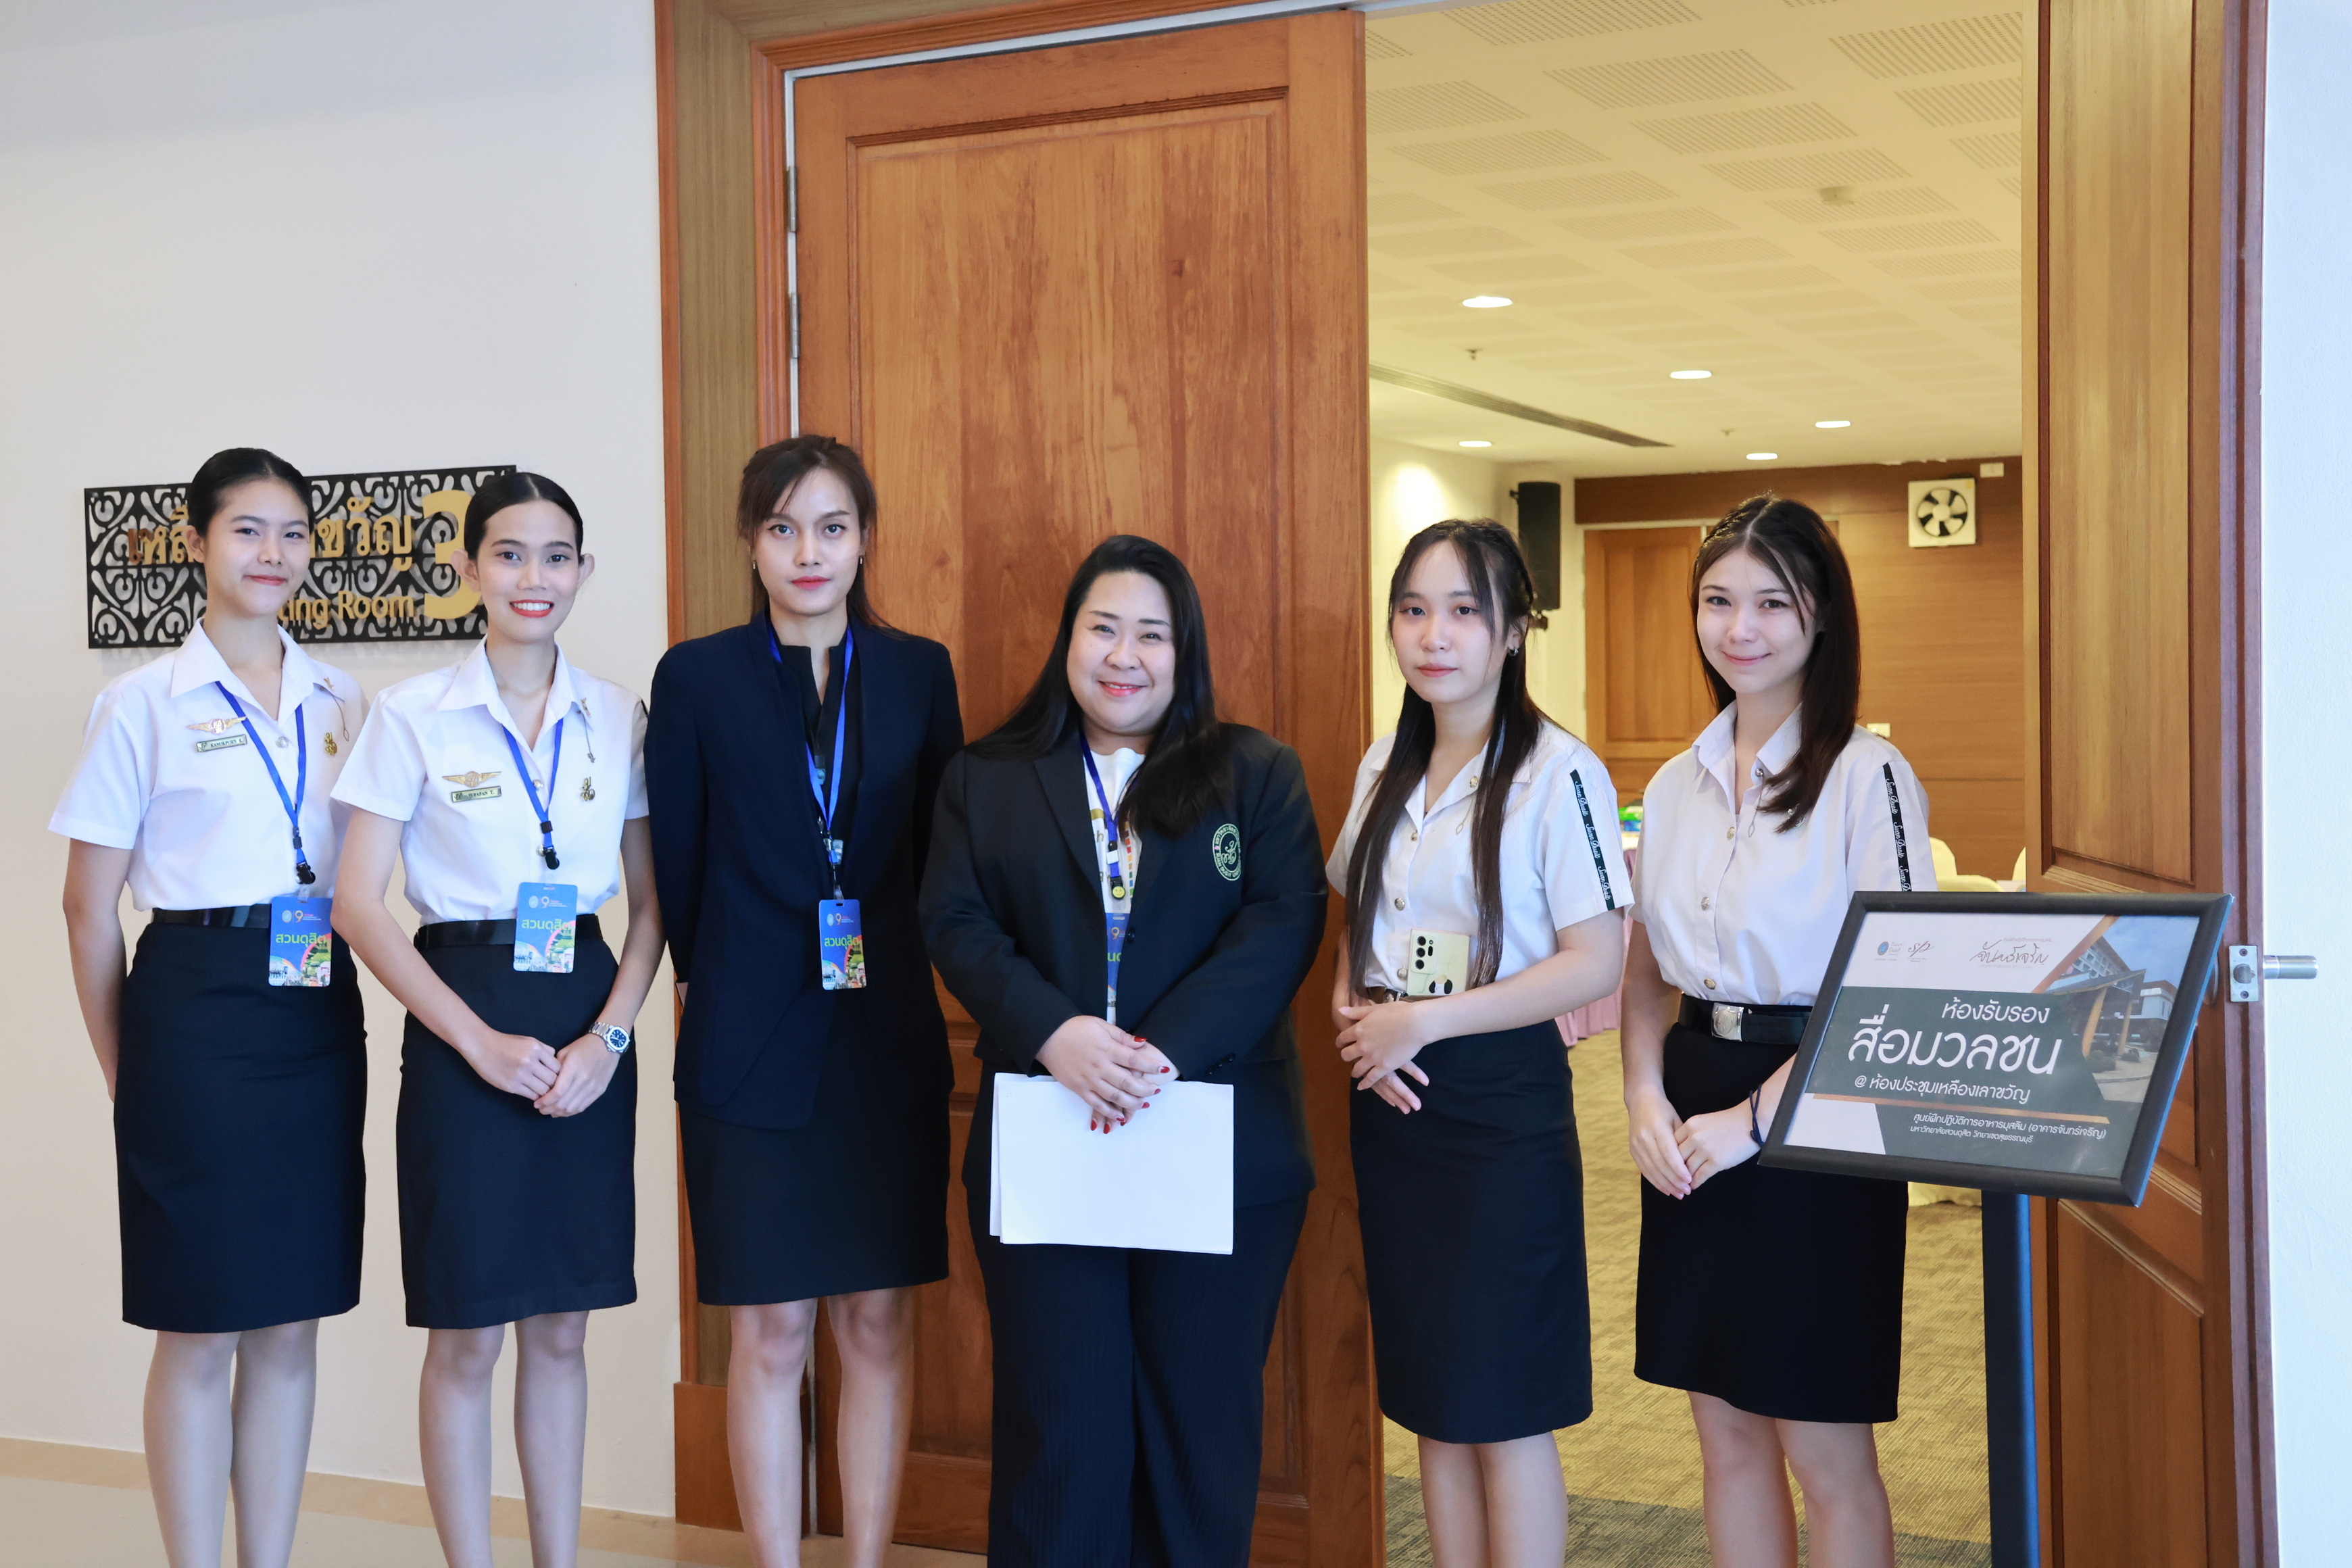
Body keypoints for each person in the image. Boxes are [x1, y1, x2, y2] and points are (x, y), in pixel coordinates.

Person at [920, 535, 1326, 1567]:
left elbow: (1283, 924)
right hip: (1050, 1139)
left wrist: (1158, 1055)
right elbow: (956, 922)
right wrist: (1056, 1035)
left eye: (1152, 633)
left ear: (1185, 651)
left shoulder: (1257, 774)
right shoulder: (989, 777)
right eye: (1103, 628)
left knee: (1200, 1426)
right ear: (1069, 639)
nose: (1124, 655)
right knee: (1062, 1426)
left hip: (1216, 1144)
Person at [328, 472, 660, 1568]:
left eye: (557, 555)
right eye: (510, 554)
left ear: (584, 570)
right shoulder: (412, 715)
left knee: (561, 1330)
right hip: (460, 1023)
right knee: (467, 1333)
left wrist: (610, 1039)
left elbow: (652, 906)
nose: (534, 577)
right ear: (469, 567)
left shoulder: (618, 715)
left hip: (584, 1020)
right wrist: (474, 1042)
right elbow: (357, 906)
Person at [645, 435, 962, 1568]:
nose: (808, 552)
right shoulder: (697, 678)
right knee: (771, 1331)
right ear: (751, 542)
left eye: (831, 527)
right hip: (748, 1045)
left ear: (865, 538)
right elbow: (679, 867)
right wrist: (723, 984)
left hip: (884, 1046)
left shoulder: (919, 672)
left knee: (876, 1321)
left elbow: (941, 862)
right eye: (782, 529)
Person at [56, 447, 366, 1568]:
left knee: (292, 1315)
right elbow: (87, 907)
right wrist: (126, 1070)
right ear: (196, 543)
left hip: (315, 1008)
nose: (273, 553)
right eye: (247, 529)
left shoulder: (344, 700)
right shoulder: (141, 703)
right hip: (191, 1012)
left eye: (293, 532)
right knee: (200, 1321)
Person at [1621, 495, 1933, 1568]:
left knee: (1824, 1451)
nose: (1739, 627)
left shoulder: (1867, 776)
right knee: (1726, 1435)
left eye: (1771, 602)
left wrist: (1753, 1122)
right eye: (1718, 601)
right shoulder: (1676, 783)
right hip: (1693, 1107)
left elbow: (1891, 987)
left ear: (1822, 614)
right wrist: (1644, 1095)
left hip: (1819, 1114)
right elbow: (1646, 966)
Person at [1327, 518, 1629, 1568]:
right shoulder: (1383, 763)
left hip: (1499, 1104)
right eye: (1413, 610)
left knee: (1504, 1402)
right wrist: (1353, 1008)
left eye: (1463, 611)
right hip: (1392, 1095)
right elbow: (1357, 915)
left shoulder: (1559, 771)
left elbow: (1596, 962)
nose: (1434, 635)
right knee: (1433, 1399)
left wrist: (1428, 1019)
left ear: (1512, 632)